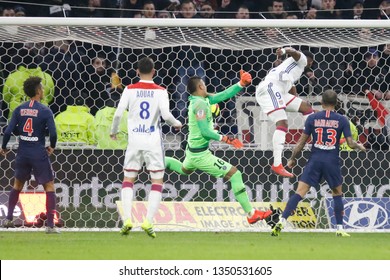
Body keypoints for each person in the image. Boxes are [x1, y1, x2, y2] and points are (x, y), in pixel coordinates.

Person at [165, 72, 275, 226]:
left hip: (192, 150)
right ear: (201, 86)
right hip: (200, 155)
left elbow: (222, 95)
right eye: (204, 83)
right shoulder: (200, 104)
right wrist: (226, 139)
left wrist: (240, 84)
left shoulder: (200, 100)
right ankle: (251, 214)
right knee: (235, 175)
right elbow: (205, 131)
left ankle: (158, 161)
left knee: (185, 169)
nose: (206, 86)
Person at [271, 90, 366, 237]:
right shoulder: (342, 120)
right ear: (336, 103)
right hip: (332, 161)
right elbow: (350, 143)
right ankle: (340, 228)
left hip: (315, 159)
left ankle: (282, 221)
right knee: (337, 193)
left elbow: (301, 142)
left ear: (321, 102)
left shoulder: (313, 118)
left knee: (299, 192)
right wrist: (359, 146)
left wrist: (292, 159)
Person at [110, 57, 182, 238]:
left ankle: (127, 219)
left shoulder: (129, 89)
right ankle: (148, 220)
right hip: (152, 142)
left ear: (136, 72)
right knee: (157, 180)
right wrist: (177, 123)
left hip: (134, 141)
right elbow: (166, 115)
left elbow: (118, 113)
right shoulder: (160, 91)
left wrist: (114, 131)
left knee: (128, 179)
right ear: (154, 71)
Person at [0, 76, 59, 234]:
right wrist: (52, 146)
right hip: (38, 152)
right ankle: (50, 226)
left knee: (17, 186)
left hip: (23, 152)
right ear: (39, 91)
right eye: (42, 87)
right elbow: (53, 133)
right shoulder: (45, 110)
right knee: (49, 186)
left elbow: (7, 130)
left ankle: (8, 219)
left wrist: (4, 147)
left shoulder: (19, 109)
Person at [255, 46, 315, 178]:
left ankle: (311, 135)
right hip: (270, 88)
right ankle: (277, 164)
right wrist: (284, 51)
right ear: (310, 61)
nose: (310, 65)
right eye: (311, 63)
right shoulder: (303, 60)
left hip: (279, 91)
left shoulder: (290, 72)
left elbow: (293, 94)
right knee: (282, 123)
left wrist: (297, 103)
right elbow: (294, 51)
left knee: (306, 107)